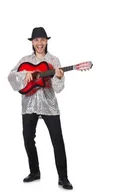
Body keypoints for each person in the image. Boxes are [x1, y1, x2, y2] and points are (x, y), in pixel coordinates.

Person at [7, 27, 73, 190]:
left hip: (49, 106)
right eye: (36, 40)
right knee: (28, 138)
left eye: (42, 40)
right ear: (32, 42)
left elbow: (58, 89)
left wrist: (58, 77)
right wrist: (26, 74)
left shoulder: (54, 61)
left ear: (47, 41)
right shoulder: (24, 60)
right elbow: (11, 77)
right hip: (29, 105)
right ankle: (34, 172)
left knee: (57, 140)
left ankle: (63, 178)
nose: (39, 43)